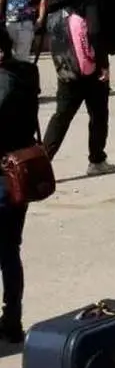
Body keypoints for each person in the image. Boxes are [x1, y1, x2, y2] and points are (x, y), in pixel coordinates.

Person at [42, 0, 115, 175]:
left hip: (67, 63)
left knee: (61, 116)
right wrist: (103, 64)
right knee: (98, 114)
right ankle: (97, 160)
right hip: (91, 65)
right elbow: (94, 31)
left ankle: (42, 163)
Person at [0, 25, 39, 343]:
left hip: (2, 175)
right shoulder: (27, 73)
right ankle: (12, 318)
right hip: (19, 174)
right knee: (10, 250)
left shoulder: (5, 82)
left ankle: (11, 319)